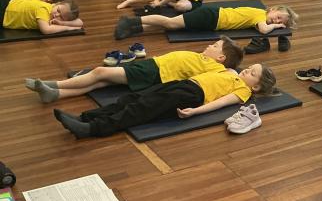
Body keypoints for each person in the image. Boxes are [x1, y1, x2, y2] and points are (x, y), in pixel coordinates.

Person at [52, 62, 275, 139]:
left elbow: (222, 102)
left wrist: (195, 111)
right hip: (182, 84)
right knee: (133, 97)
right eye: (249, 67)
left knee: (141, 108)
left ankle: (92, 129)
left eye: (252, 73)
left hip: (192, 96)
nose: (247, 70)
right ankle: (85, 117)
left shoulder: (243, 91)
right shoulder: (231, 72)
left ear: (255, 86)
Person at [25, 37, 243, 103]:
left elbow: (228, 79)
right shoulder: (206, 60)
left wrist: (240, 75)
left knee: (100, 72)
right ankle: (56, 94)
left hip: (153, 71)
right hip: (152, 68)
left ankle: (54, 84)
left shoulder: (215, 67)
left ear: (221, 58)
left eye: (215, 46)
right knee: (102, 82)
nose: (209, 45)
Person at [114, 3, 297, 40]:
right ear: (272, 9)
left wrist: (277, 24)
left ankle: (134, 28)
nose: (275, 20)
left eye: (279, 20)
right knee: (170, 23)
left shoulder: (258, 14)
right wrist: (276, 26)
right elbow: (263, 30)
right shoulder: (260, 16)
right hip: (211, 16)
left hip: (212, 19)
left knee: (172, 26)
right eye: (278, 16)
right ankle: (130, 21)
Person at [0, 0, 81, 34]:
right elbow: (46, 30)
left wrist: (62, 23)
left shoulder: (53, 12)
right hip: (4, 8)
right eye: (58, 10)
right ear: (56, 4)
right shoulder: (44, 10)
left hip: (7, 6)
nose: (56, 15)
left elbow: (80, 22)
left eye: (61, 17)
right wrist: (68, 28)